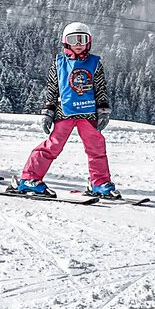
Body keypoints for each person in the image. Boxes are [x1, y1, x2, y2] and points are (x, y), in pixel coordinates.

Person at [17, 22, 117, 199]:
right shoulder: (59, 63)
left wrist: (103, 110)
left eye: (82, 39)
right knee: (52, 146)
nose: (78, 43)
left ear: (89, 42)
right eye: (73, 40)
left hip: (89, 113)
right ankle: (29, 178)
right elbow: (52, 88)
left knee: (96, 148)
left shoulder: (95, 63)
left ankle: (99, 182)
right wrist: (48, 111)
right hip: (65, 112)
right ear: (66, 42)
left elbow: (100, 87)